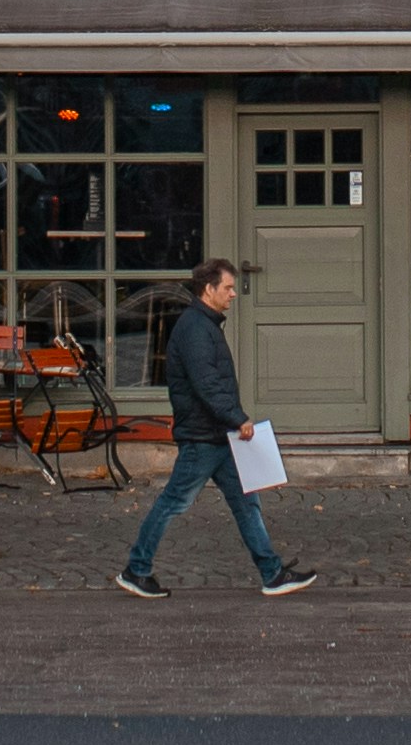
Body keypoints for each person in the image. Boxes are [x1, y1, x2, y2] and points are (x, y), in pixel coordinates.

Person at [118, 255, 312, 600]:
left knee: (246, 502)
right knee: (174, 502)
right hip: (204, 437)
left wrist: (233, 422)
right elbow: (207, 384)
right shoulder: (195, 329)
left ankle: (272, 573)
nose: (234, 294)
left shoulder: (204, 325)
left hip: (218, 436)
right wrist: (238, 418)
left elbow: (212, 383)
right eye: (228, 287)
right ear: (209, 289)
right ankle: (136, 569)